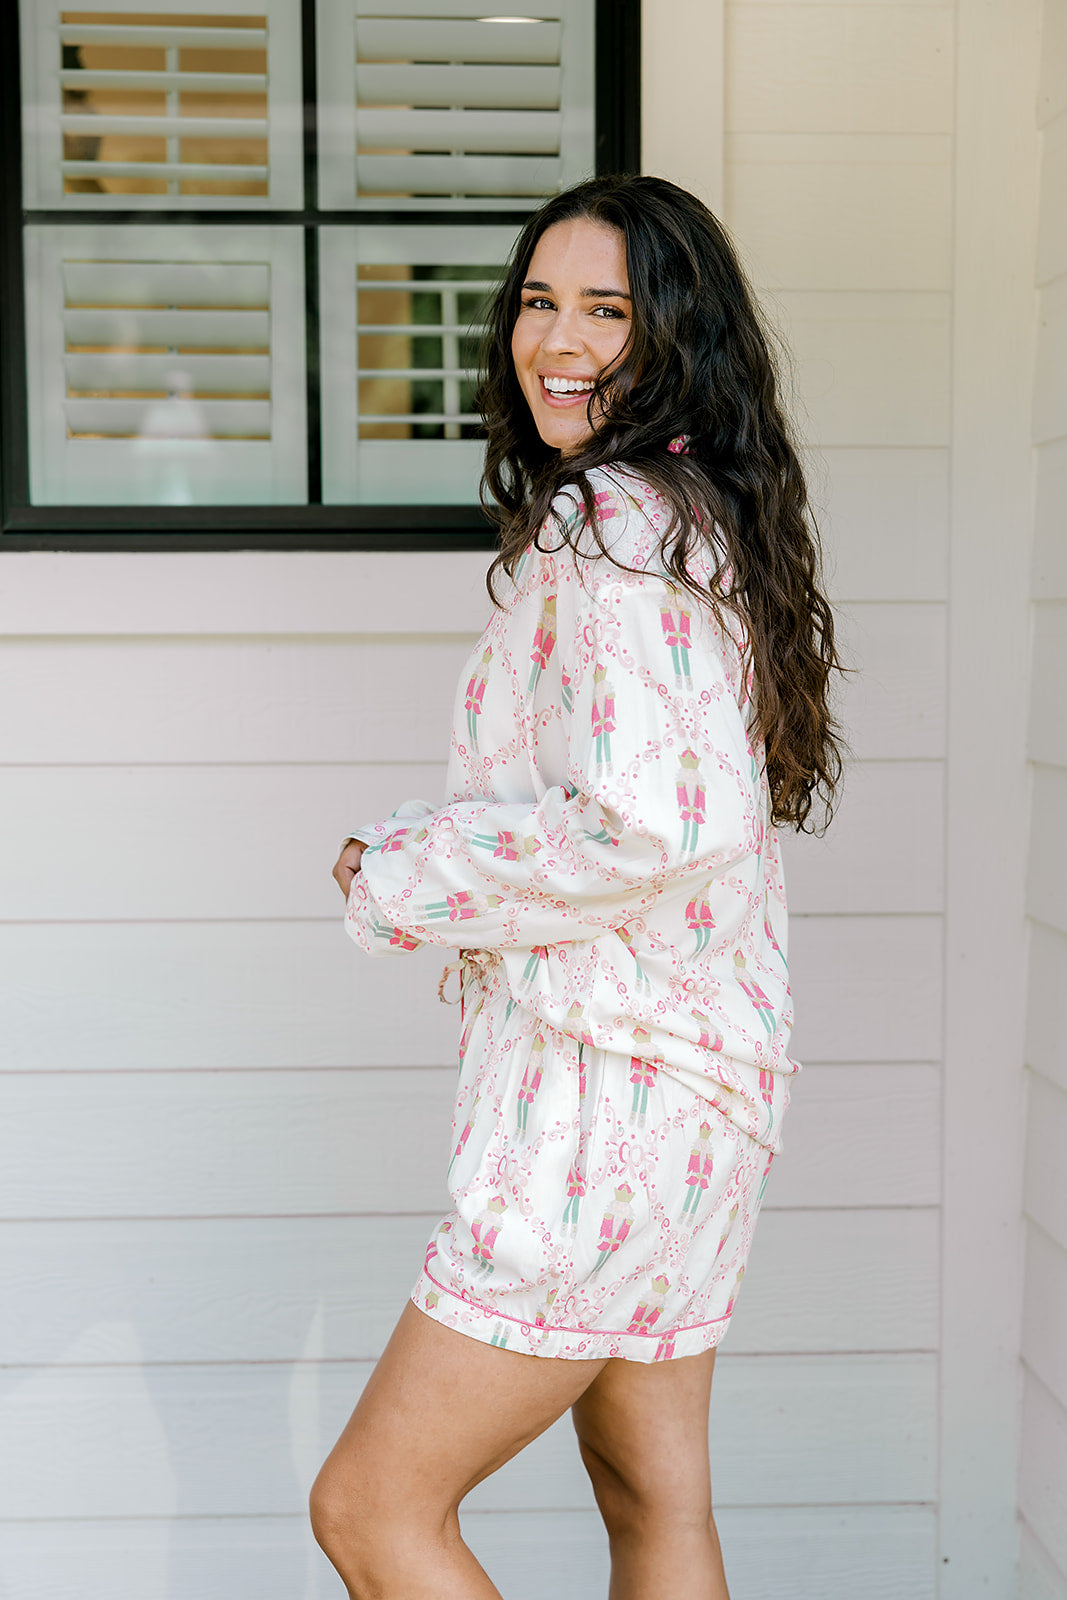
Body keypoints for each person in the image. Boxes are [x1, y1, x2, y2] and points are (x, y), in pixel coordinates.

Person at [310, 174, 843, 1600]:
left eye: (607, 310)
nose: (558, 339)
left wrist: (403, 869)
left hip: (609, 1097)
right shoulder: (698, 516)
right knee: (654, 1500)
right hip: (700, 1092)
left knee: (372, 1509)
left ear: (675, 337)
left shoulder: (611, 524)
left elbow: (651, 828)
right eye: (540, 301)